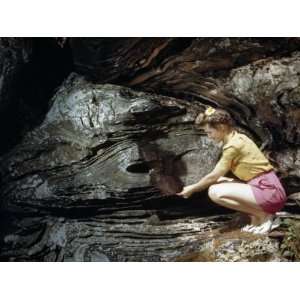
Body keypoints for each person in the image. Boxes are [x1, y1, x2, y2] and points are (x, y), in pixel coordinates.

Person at [176, 106, 287, 234]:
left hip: (268, 192)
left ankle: (263, 215)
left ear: (222, 127)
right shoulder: (239, 137)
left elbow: (214, 175)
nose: (209, 137)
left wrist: (192, 188)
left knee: (214, 191)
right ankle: (258, 216)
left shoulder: (233, 146)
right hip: (270, 188)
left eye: (209, 132)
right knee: (221, 180)